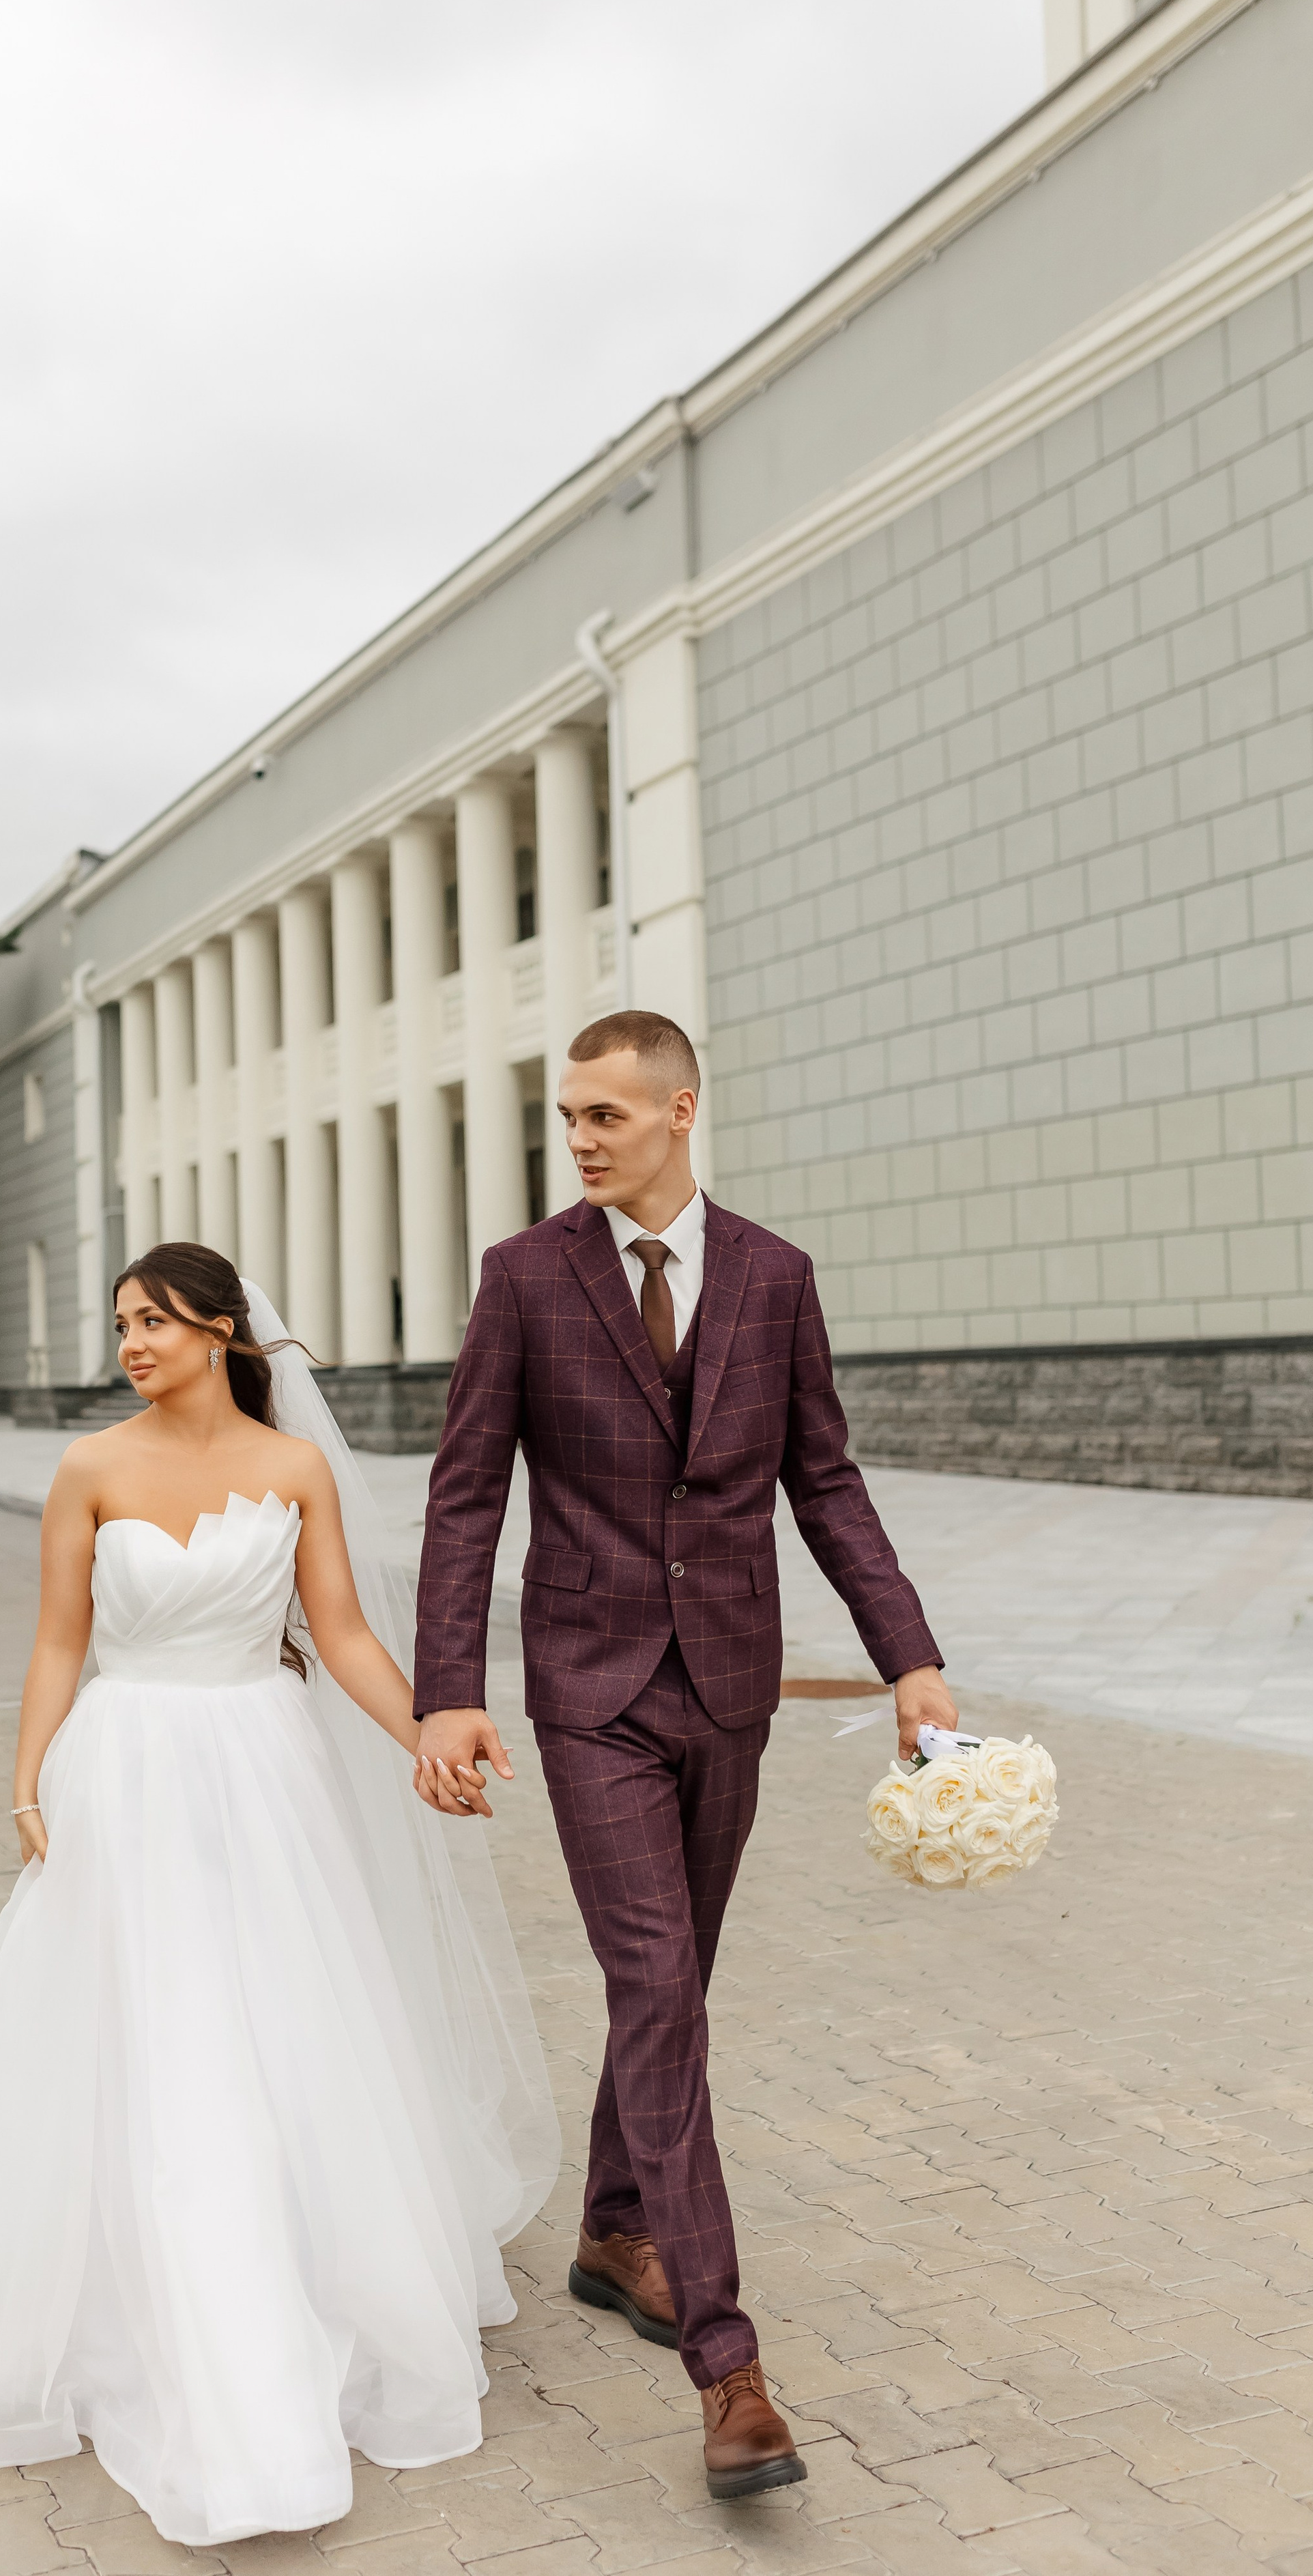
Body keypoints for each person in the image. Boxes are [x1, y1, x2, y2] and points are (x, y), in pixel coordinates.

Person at [0, 1245, 558, 2548]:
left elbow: (342, 1634)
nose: (132, 1343)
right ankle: (144, 2304)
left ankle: (285, 2283)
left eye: (155, 1321)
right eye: (121, 1324)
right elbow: (59, 1640)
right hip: (124, 1772)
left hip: (263, 1775)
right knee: (139, 2030)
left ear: (223, 1329)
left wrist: (427, 1738)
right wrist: (24, 1785)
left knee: (279, 2021)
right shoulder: (90, 1469)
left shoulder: (294, 1470)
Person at [411, 1009, 956, 2500]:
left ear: (679, 1111)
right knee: (655, 1986)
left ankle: (613, 2228)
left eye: (604, 1113)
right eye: (567, 1116)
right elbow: (466, 1494)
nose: (579, 1139)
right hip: (588, 1691)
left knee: (674, 1986)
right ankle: (728, 2366)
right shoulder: (525, 1278)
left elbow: (825, 1482)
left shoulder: (774, 1276)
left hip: (727, 1686)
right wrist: (447, 1691)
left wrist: (908, 1658)